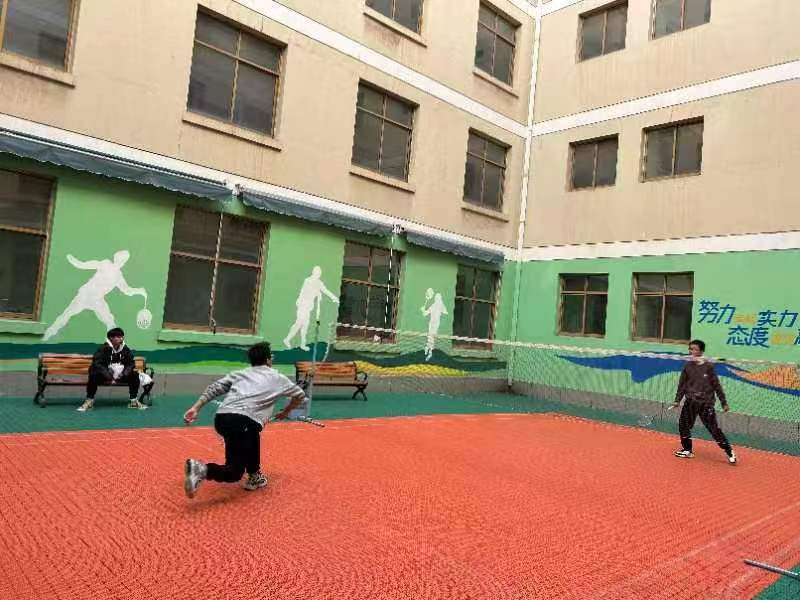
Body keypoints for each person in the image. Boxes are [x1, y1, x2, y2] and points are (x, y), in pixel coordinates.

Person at [182, 342, 308, 498]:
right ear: (268, 359)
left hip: (222, 418)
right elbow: (300, 395)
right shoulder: (278, 378)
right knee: (234, 472)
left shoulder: (240, 373)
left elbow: (214, 388)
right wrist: (286, 411)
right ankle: (202, 469)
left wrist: (196, 407)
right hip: (243, 421)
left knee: (252, 436)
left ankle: (254, 475)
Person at [43, 251, 148, 341]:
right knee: (67, 313)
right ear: (116, 258)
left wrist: (139, 291)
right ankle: (47, 334)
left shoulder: (118, 276)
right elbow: (85, 265)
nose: (121, 261)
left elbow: (127, 290)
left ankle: (113, 347)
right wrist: (73, 260)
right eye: (121, 258)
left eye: (123, 260)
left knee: (110, 321)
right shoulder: (105, 264)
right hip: (85, 294)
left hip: (97, 300)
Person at [673, 339, 737, 465]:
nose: (691, 351)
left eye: (694, 349)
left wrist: (723, 402)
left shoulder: (708, 367)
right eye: (690, 349)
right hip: (690, 402)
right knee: (684, 425)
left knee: (713, 429)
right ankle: (687, 450)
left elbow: (717, 386)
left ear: (701, 351)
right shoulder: (687, 366)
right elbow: (682, 385)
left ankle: (729, 451)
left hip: (706, 404)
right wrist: (677, 400)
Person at [77, 327, 144, 412]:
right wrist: (109, 376)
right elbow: (98, 364)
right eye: (118, 336)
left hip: (120, 376)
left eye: (121, 336)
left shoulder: (125, 349)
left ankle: (133, 400)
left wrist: (124, 374)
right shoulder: (103, 349)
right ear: (111, 338)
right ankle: (89, 400)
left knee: (135, 375)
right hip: (105, 376)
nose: (121, 338)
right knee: (93, 374)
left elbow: (131, 363)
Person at [284, 266, 339, 351]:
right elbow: (304, 291)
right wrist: (317, 293)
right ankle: (287, 339)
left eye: (319, 273)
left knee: (305, 326)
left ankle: (302, 344)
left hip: (308, 307)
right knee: (299, 323)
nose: (318, 274)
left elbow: (325, 290)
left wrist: (334, 298)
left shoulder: (319, 283)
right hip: (303, 305)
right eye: (317, 273)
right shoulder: (308, 280)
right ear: (313, 272)